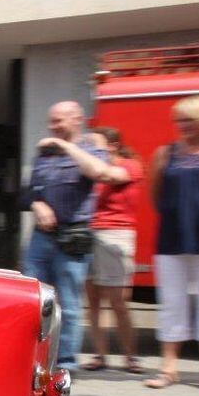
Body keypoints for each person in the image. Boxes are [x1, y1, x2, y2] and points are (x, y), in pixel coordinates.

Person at [21, 100, 118, 371]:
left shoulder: (92, 151)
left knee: (70, 305)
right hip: (41, 238)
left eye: (59, 121)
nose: (53, 127)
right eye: (51, 121)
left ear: (78, 120)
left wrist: (66, 146)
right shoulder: (43, 155)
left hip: (72, 238)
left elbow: (99, 173)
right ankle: (33, 360)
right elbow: (28, 191)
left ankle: (64, 364)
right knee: (35, 301)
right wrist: (36, 204)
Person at [144, 95, 199, 393]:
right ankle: (169, 368)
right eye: (179, 120)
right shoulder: (165, 154)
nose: (183, 126)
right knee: (172, 302)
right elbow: (155, 195)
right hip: (173, 236)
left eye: (189, 119)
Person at [81, 127, 144, 373]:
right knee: (93, 300)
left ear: (114, 145)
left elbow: (110, 176)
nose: (92, 150)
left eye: (97, 145)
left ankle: (131, 357)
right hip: (89, 233)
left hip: (115, 233)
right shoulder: (89, 171)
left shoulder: (130, 166)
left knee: (118, 301)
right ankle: (100, 355)